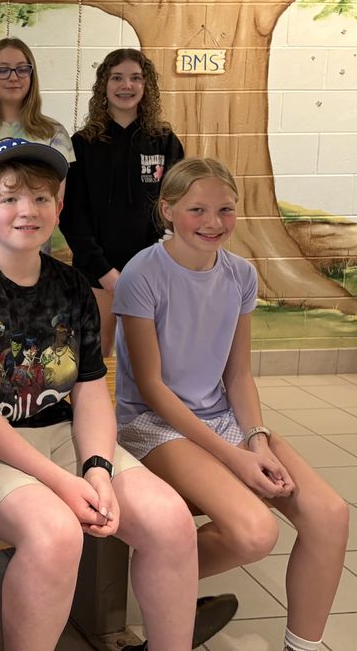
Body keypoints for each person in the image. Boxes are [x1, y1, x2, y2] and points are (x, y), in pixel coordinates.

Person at [0, 138, 209, 651]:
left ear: (59, 208)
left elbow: (92, 392)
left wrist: (96, 466)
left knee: (170, 521)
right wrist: (60, 483)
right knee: (57, 533)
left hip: (58, 434)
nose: (27, 210)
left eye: (41, 198)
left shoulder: (73, 288)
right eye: (10, 199)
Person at [114, 157, 349, 651]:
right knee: (253, 533)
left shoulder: (241, 275)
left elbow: (238, 374)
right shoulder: (143, 274)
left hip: (220, 416)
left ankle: (299, 646)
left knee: (329, 515)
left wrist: (257, 441)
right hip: (153, 424)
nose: (213, 222)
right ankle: (160, 582)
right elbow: (153, 389)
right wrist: (234, 456)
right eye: (197, 209)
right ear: (168, 211)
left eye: (225, 209)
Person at [63, 48, 184, 356]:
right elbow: (73, 215)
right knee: (96, 350)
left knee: (143, 353)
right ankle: (97, 407)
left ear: (147, 87)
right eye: (116, 78)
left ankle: (142, 407)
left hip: (150, 270)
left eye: (135, 78)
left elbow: (175, 207)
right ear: (104, 84)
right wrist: (105, 272)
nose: (126, 86)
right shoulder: (83, 143)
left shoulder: (164, 141)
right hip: (96, 273)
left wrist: (144, 267)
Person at [0, 38, 74, 250]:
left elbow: (52, 205)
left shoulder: (54, 134)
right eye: (3, 70)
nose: (13, 77)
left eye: (22, 69)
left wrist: (24, 259)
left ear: (32, 76)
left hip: (34, 256)